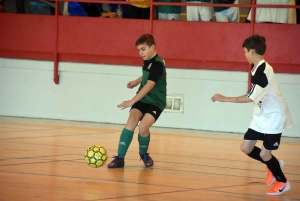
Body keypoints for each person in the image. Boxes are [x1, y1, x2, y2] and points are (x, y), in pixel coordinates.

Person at [211, 34, 293, 196]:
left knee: (264, 153)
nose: (244, 55)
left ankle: (282, 181)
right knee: (246, 147)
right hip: (261, 115)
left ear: (252, 51)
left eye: (245, 52)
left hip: (274, 117)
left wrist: (224, 98)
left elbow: (249, 97)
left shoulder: (263, 71)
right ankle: (273, 164)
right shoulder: (256, 67)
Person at [107, 34, 167, 168]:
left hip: (156, 101)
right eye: (139, 50)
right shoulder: (149, 60)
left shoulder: (158, 63)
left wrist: (132, 101)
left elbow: (150, 84)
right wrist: (136, 81)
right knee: (131, 122)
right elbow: (148, 75)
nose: (141, 53)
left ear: (152, 47)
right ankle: (120, 158)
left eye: (143, 49)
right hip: (144, 98)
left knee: (144, 127)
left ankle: (144, 154)